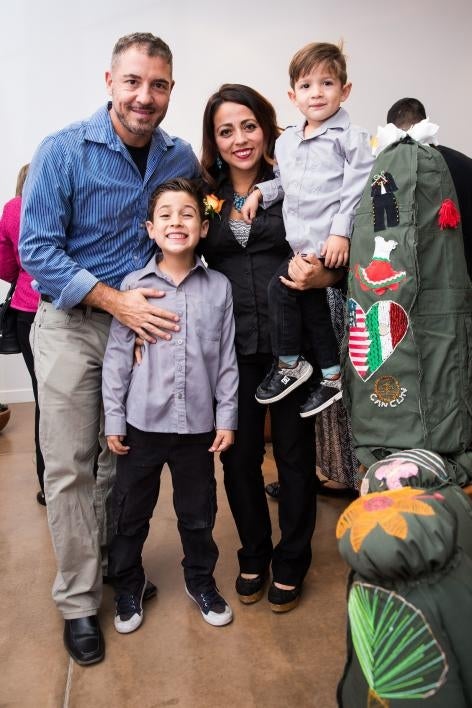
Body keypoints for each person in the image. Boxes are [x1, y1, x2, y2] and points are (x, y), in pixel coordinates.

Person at [19, 33, 199, 666]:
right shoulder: (64, 151)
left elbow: (196, 226)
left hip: (142, 331)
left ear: (170, 90)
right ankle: (76, 601)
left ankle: (111, 570)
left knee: (117, 463)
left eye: (157, 85)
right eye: (133, 82)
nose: (144, 97)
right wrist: (115, 300)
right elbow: (37, 251)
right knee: (69, 465)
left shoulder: (180, 156)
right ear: (109, 81)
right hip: (72, 325)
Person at [199, 83, 342, 612]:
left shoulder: (296, 182)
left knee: (293, 456)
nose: (240, 139)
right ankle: (253, 553)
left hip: (291, 351)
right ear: (214, 141)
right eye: (226, 130)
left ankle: (292, 560)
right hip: (229, 347)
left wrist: (320, 275)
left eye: (249, 125)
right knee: (235, 460)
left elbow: (334, 252)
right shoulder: (202, 192)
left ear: (267, 126)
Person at [102, 178, 238, 632]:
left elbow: (226, 359)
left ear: (202, 227)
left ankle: (200, 580)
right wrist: (114, 418)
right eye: (166, 214)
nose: (176, 222)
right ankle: (127, 583)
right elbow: (118, 359)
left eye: (187, 214)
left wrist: (227, 417)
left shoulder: (219, 287)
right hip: (142, 423)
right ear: (150, 227)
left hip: (198, 426)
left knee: (198, 513)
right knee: (129, 512)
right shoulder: (132, 286)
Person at [242, 42, 373, 416]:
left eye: (327, 83)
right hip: (302, 245)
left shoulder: (351, 138)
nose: (316, 93)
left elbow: (358, 187)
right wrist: (259, 193)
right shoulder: (286, 142)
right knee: (309, 302)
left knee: (278, 290)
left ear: (344, 91)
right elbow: (284, 183)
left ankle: (289, 364)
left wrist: (341, 232)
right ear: (293, 96)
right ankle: (332, 374)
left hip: (330, 244)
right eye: (306, 86)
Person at [0, 163, 47, 506]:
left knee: (44, 400)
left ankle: (47, 484)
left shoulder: (13, 210)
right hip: (60, 310)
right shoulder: (59, 203)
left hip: (25, 313)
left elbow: (4, 266)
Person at [386, 97, 472, 278]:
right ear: (425, 123)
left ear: (390, 130)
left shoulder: (384, 171)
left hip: (413, 281)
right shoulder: (465, 163)